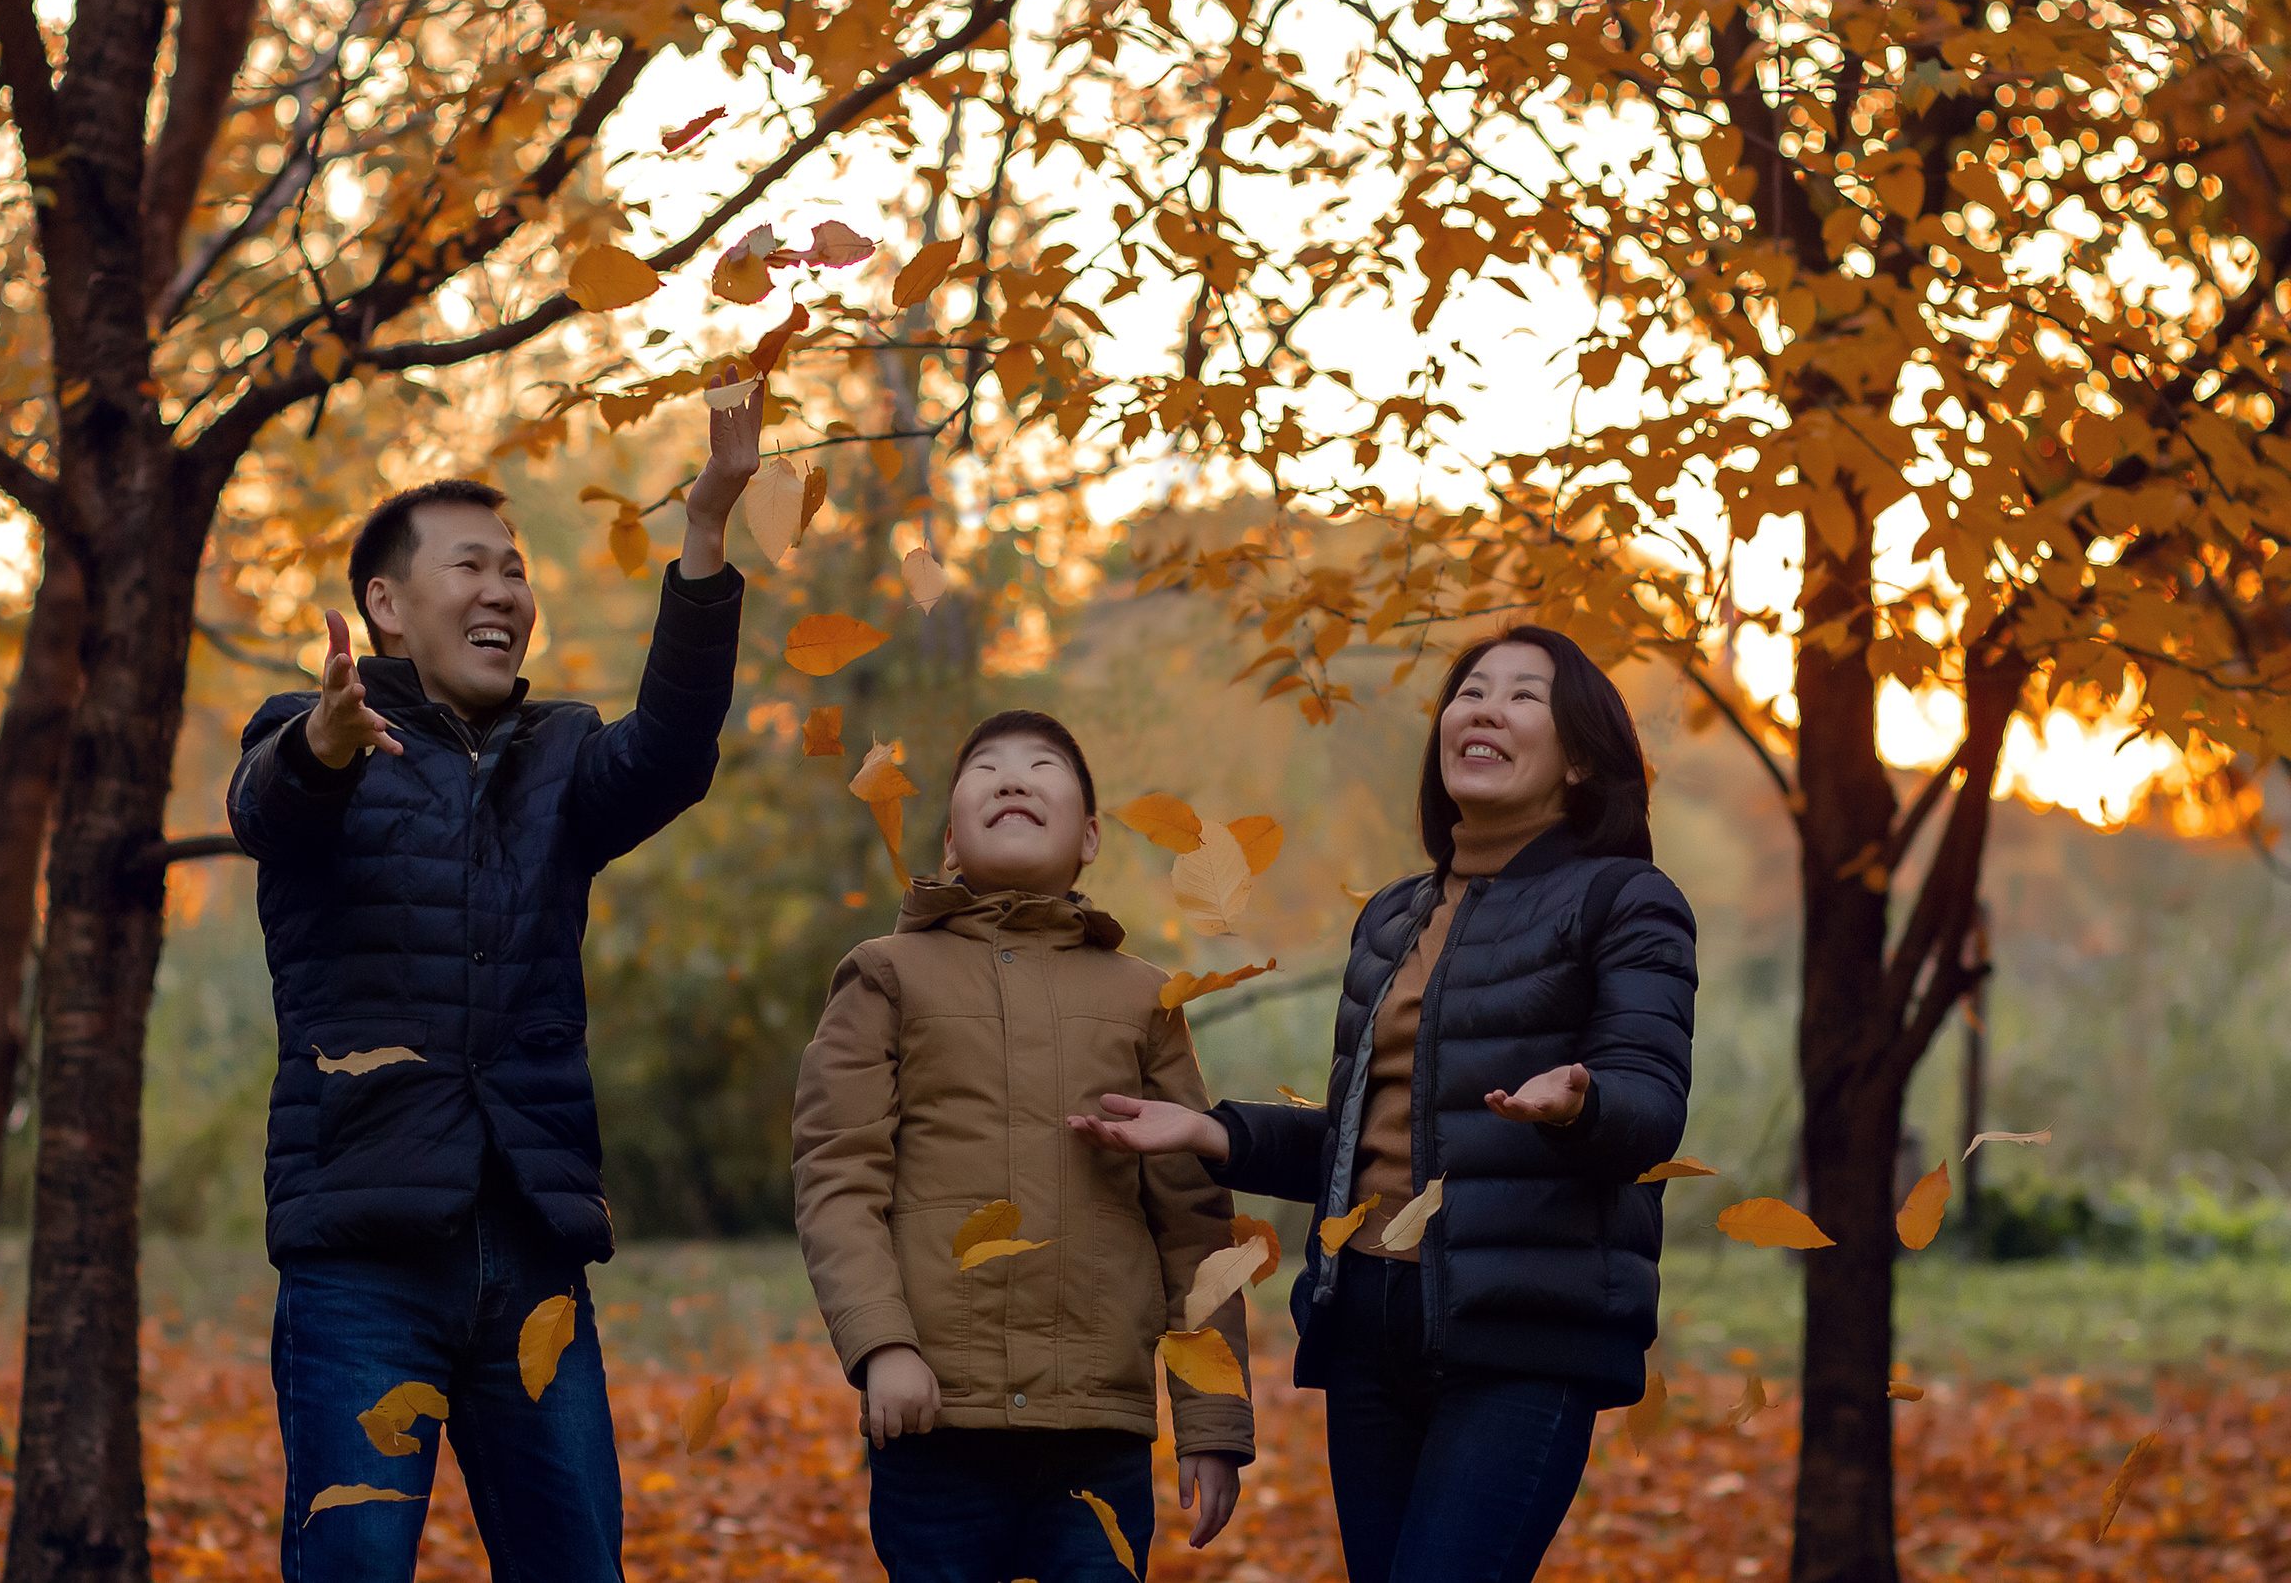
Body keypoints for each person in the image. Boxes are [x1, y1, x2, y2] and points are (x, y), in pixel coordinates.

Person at [227, 383, 760, 1583]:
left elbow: (672, 754)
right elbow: (268, 805)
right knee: (353, 1566)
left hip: (531, 1247)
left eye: (515, 571)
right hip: (363, 1249)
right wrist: (319, 744)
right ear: (386, 605)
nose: (504, 593)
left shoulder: (559, 754)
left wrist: (709, 534)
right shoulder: (308, 737)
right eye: (470, 566)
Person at [1071, 628, 1695, 1583]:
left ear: (1579, 759)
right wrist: (1214, 1132)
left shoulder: (1623, 900)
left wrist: (1581, 1098)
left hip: (1520, 1334)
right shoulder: (1393, 917)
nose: (1483, 708)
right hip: (1367, 1324)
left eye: (1524, 696)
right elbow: (1359, 1140)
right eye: (1470, 691)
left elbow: (1649, 1109)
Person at [791, 710, 1253, 1583]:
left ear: (1089, 837)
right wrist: (881, 1343)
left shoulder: (1145, 997)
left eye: (1042, 765)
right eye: (986, 769)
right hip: (934, 1420)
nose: (1011, 778)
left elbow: (1194, 1222)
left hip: (1096, 1437)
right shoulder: (886, 973)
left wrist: (1215, 1420)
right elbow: (837, 1176)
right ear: (950, 842)